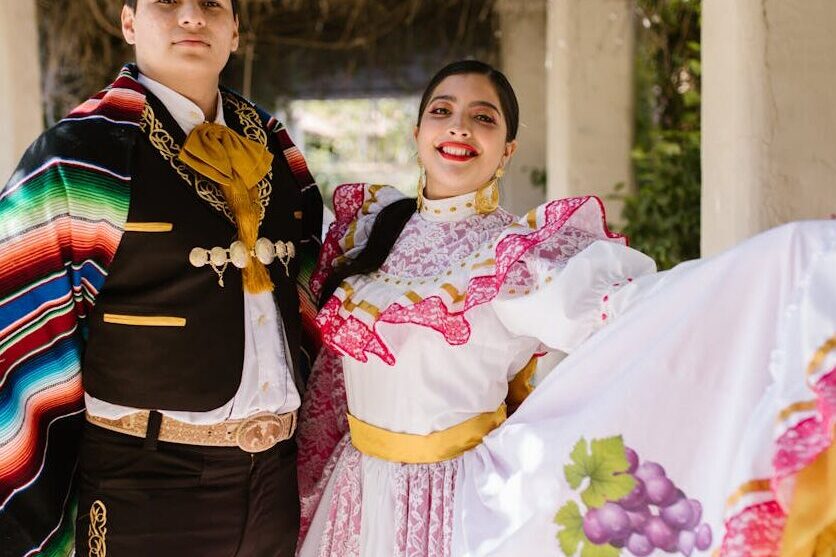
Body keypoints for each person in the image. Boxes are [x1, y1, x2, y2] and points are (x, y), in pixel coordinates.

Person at [295, 60, 836, 557]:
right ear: (418, 134)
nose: (459, 127)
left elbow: (629, 309)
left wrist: (783, 263)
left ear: (507, 148)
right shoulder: (370, 231)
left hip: (450, 506)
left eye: (483, 117)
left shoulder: (519, 255)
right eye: (443, 111)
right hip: (356, 494)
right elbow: (330, 386)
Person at [0, 1, 323, 555]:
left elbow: (307, 291)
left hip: (276, 482)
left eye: (213, 5)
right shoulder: (77, 156)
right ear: (129, 23)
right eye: (168, 1)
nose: (192, 17)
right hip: (144, 487)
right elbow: (22, 334)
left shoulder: (275, 146)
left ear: (235, 31)